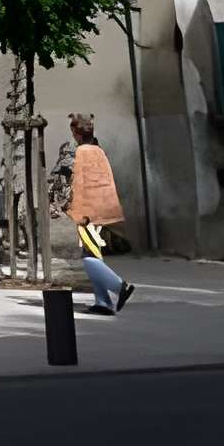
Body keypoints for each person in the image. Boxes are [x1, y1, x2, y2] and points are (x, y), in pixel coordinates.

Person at [66, 112, 135, 315]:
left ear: (76, 133)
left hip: (88, 213)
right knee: (94, 254)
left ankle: (120, 286)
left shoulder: (81, 153)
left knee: (89, 256)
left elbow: (79, 186)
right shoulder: (99, 150)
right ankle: (102, 302)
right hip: (103, 211)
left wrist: (77, 212)